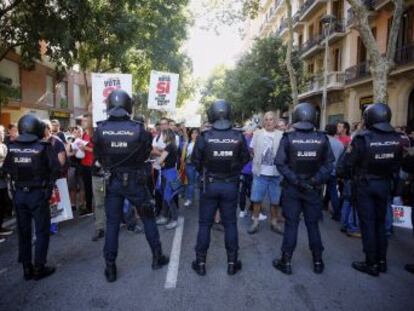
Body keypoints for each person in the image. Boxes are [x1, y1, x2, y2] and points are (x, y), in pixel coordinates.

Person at [94, 90, 169, 282]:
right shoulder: (138, 129)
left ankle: (110, 268)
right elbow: (145, 154)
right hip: (136, 181)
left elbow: (99, 158)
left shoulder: (100, 129)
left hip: (114, 182)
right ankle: (156, 257)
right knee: (148, 219)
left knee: (112, 224)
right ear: (128, 105)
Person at [273, 102, 334, 275]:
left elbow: (279, 163)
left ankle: (286, 261)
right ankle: (318, 262)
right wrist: (314, 180)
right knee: (312, 225)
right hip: (312, 188)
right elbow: (329, 164)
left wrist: (296, 180)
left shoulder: (288, 137)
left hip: (293, 188)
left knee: (291, 225)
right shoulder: (322, 138)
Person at [342, 103, 403, 277]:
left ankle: (371, 263)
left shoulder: (362, 138)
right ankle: (382, 261)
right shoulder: (397, 138)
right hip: (384, 185)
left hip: (365, 186)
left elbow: (348, 164)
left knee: (368, 225)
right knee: (380, 223)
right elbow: (397, 165)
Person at [191, 100, 250, 276]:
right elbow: (245, 158)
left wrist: (208, 171)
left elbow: (195, 161)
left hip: (210, 184)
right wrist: (232, 171)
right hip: (230, 185)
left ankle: (200, 263)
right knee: (230, 224)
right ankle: (232, 263)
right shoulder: (238, 136)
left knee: (204, 224)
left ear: (212, 114)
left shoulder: (205, 136)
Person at [3, 114, 60, 280]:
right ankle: (39, 267)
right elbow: (55, 168)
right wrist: (48, 189)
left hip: (20, 195)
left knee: (23, 232)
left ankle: (26, 268)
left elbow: (7, 170)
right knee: (42, 231)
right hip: (38, 194)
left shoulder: (11, 147)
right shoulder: (43, 146)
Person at [248, 111, 284, 235]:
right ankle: (255, 221)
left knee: (275, 201)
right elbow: (252, 149)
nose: (269, 122)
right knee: (257, 200)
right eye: (267, 120)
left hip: (276, 174)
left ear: (275, 122)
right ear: (264, 122)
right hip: (260, 174)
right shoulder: (257, 134)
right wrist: (257, 160)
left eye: (271, 119)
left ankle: (274, 222)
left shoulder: (281, 135)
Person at [155, 129, 181, 230]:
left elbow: (160, 160)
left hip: (168, 175)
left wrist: (159, 162)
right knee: (166, 197)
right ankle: (165, 216)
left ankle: (174, 219)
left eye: (163, 135)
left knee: (169, 197)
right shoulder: (172, 146)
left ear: (168, 136)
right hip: (170, 174)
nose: (162, 137)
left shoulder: (169, 147)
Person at [325, 124, 344, 221]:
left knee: (316, 191)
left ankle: (317, 213)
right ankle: (337, 213)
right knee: (333, 192)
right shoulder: (340, 144)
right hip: (333, 171)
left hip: (323, 171)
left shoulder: (323, 141)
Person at [79, 115, 94, 216]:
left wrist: (86, 148)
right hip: (84, 164)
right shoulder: (84, 133)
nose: (82, 122)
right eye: (82, 121)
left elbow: (99, 150)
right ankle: (89, 207)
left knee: (93, 188)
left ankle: (93, 208)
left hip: (92, 165)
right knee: (87, 187)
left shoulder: (94, 134)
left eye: (85, 121)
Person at [0, 125, 13, 242]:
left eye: (2, 132)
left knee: (4, 203)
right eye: (1, 132)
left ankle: (1, 227)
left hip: (3, 180)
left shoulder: (4, 146)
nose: (2, 134)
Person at [183, 128, 200, 207]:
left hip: (197, 165)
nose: (194, 134)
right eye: (193, 133)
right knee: (191, 183)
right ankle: (189, 199)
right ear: (191, 134)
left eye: (196, 133)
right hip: (189, 165)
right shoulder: (188, 142)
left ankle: (198, 200)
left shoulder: (201, 143)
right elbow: (184, 154)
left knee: (197, 183)